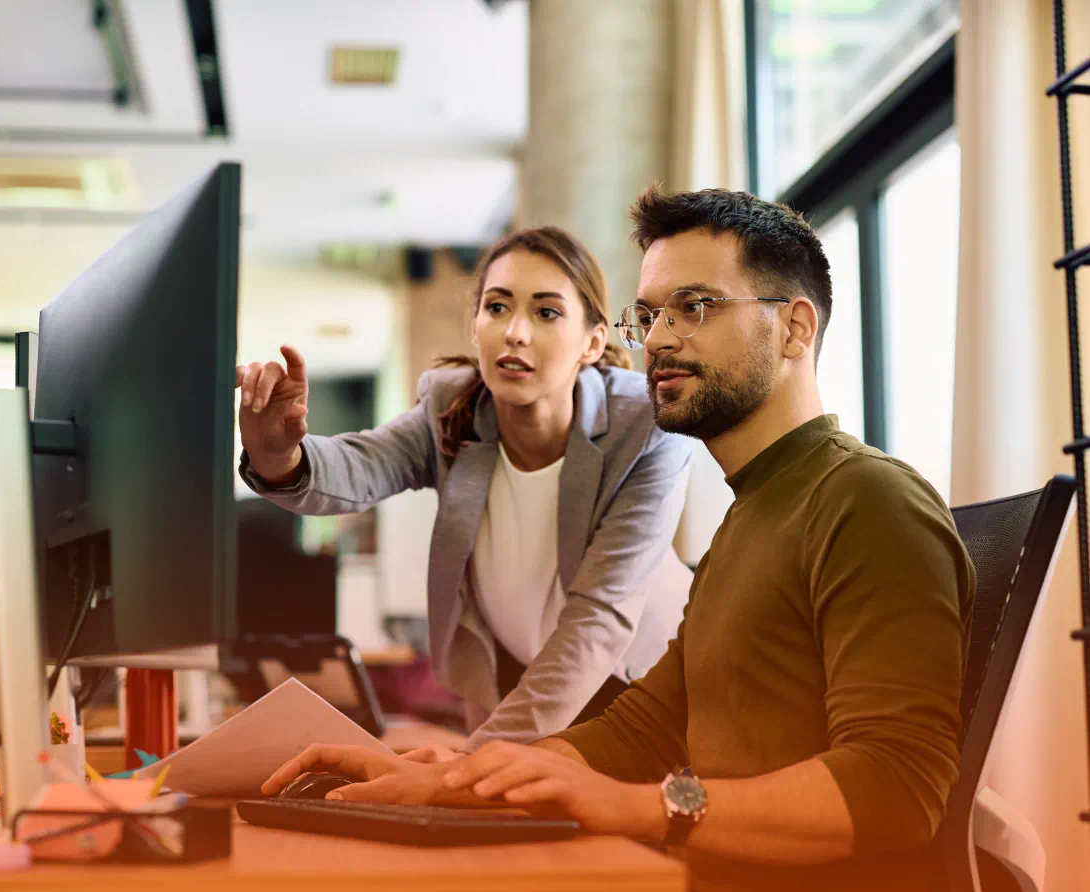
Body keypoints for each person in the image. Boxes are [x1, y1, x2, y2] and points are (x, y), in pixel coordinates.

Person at [261, 188, 976, 892]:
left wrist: (643, 806)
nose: (660, 338)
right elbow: (646, 726)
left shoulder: (866, 498)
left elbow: (898, 789)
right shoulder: (748, 516)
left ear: (793, 329)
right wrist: (455, 778)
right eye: (651, 314)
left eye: (695, 307)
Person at [236, 226, 694, 750]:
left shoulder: (647, 426)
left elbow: (600, 617)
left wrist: (471, 760)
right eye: (497, 307)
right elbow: (359, 467)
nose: (515, 332)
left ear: (591, 343)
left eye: (546, 313)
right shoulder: (452, 409)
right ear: (475, 327)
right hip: (516, 681)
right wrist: (278, 454)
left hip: (640, 687)